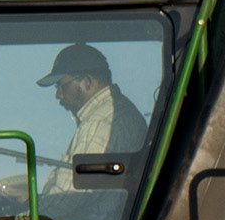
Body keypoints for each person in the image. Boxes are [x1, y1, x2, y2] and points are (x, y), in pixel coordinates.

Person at [38, 44, 148, 173]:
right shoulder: (115, 112)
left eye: (62, 86)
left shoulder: (100, 121)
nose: (58, 95)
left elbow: (73, 191)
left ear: (87, 82)